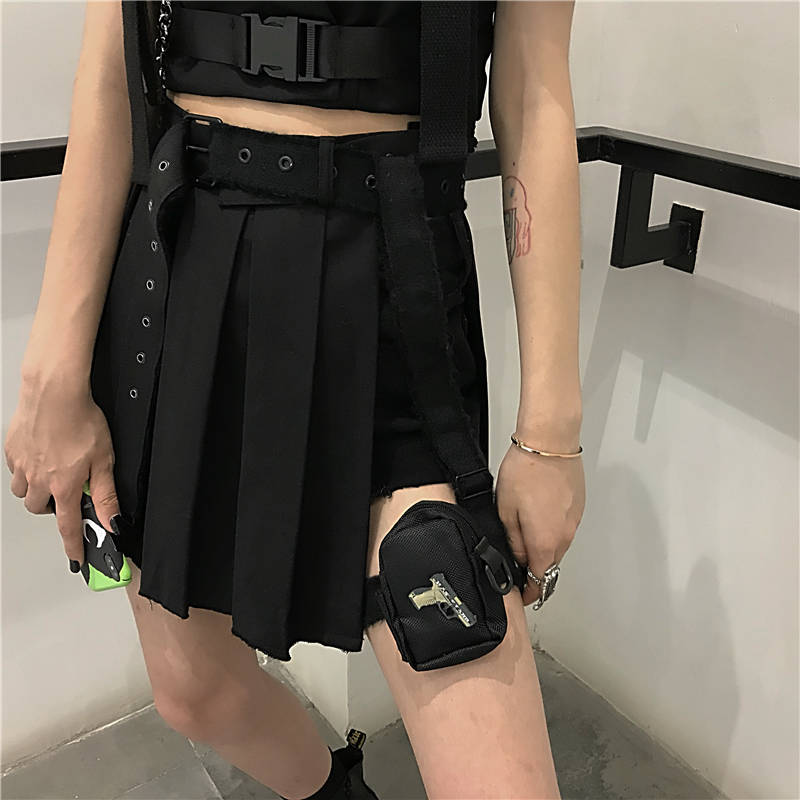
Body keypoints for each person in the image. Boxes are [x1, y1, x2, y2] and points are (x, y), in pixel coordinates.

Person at [4, 1, 586, 798]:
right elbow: (110, 70)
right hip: (181, 267)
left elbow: (534, 90)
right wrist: (50, 376)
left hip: (392, 289)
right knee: (194, 692)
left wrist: (551, 434)